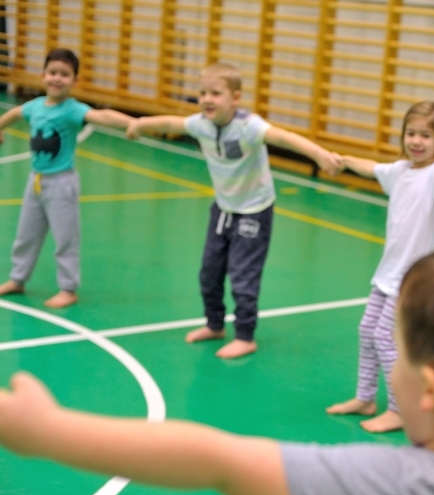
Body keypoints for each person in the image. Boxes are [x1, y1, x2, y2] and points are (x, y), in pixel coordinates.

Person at [0, 243, 434, 495]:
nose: (391, 362)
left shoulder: (399, 493)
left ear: (432, 390)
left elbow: (215, 461)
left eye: (400, 351)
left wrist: (46, 431)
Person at [126, 63, 342, 359]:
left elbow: (283, 138)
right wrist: (140, 124)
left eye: (216, 93)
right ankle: (214, 324)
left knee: (243, 275)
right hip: (224, 209)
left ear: (235, 98)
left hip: (254, 210)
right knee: (209, 273)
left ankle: (245, 335)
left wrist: (319, 154)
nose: (207, 99)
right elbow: (171, 124)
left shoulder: (248, 126)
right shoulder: (201, 124)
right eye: (202, 93)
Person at [326, 101, 434, 433]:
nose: (416, 141)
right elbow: (372, 167)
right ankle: (365, 397)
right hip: (389, 272)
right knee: (367, 332)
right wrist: (345, 161)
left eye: (425, 136)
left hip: (414, 277)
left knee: (385, 338)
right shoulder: (401, 170)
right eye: (411, 133)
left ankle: (400, 408)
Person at [0, 48, 135, 308]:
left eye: (64, 74)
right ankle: (17, 279)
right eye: (52, 73)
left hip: (62, 184)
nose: (57, 79)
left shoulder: (72, 110)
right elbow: (14, 114)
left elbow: (101, 116)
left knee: (65, 238)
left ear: (75, 80)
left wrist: (133, 123)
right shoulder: (34, 107)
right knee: (25, 235)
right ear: (42, 76)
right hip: (35, 180)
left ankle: (68, 288)